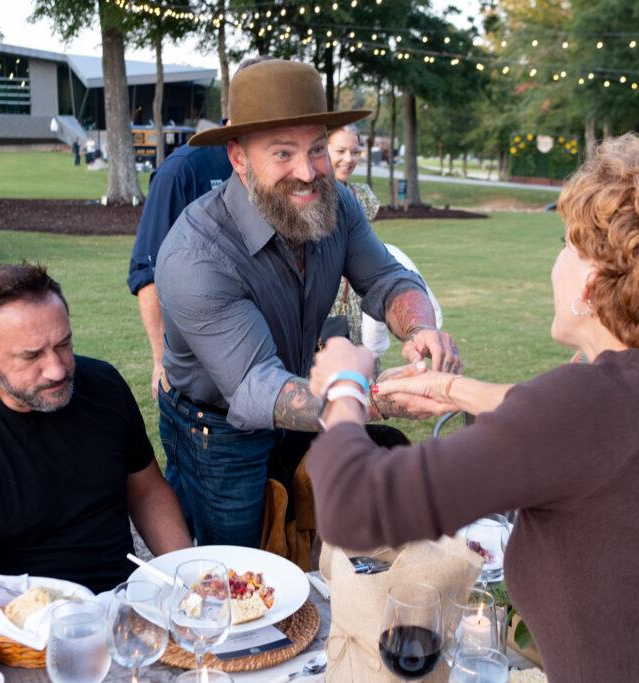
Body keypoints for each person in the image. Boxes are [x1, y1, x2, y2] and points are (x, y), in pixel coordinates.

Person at [305, 135, 639, 681]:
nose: (557, 260)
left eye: (568, 245)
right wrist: (454, 391)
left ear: (592, 285)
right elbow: (584, 427)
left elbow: (357, 508)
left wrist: (344, 387)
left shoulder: (587, 407)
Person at [154, 59, 459, 548]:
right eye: (282, 152)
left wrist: (421, 328)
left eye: (317, 148)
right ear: (238, 157)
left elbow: (384, 276)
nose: (307, 171)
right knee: (238, 570)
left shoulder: (336, 203)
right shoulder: (195, 255)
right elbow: (255, 385)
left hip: (300, 403)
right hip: (218, 430)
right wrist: (375, 398)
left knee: (307, 538)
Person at [0, 264, 192, 613]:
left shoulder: (104, 387)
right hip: (20, 631)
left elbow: (146, 490)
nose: (57, 369)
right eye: (31, 355)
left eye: (64, 344)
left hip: (125, 610)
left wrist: (187, 578)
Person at [326, 124, 443, 357]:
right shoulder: (312, 198)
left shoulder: (361, 195)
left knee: (367, 371)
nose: (348, 159)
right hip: (328, 305)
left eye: (355, 151)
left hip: (359, 301)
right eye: (340, 151)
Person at [127, 142, 232, 399]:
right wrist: (161, 361)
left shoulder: (278, 167)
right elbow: (148, 270)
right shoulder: (182, 169)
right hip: (201, 384)